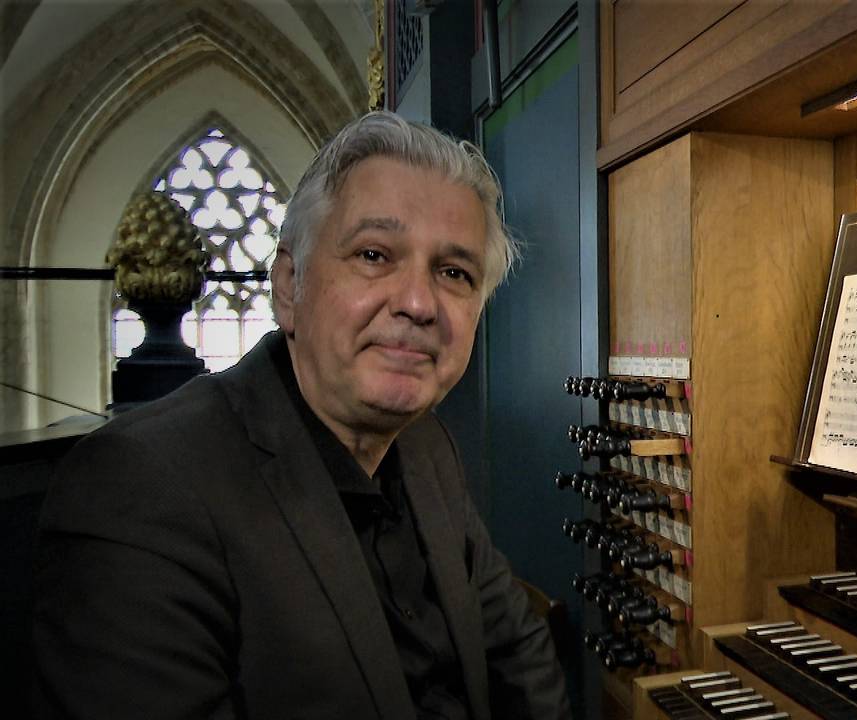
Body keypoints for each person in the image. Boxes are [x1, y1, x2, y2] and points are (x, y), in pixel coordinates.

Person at [33, 111, 570, 720]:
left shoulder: (427, 446)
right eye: (374, 254)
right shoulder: (138, 486)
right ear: (288, 285)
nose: (420, 303)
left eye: (454, 273)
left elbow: (517, 650)